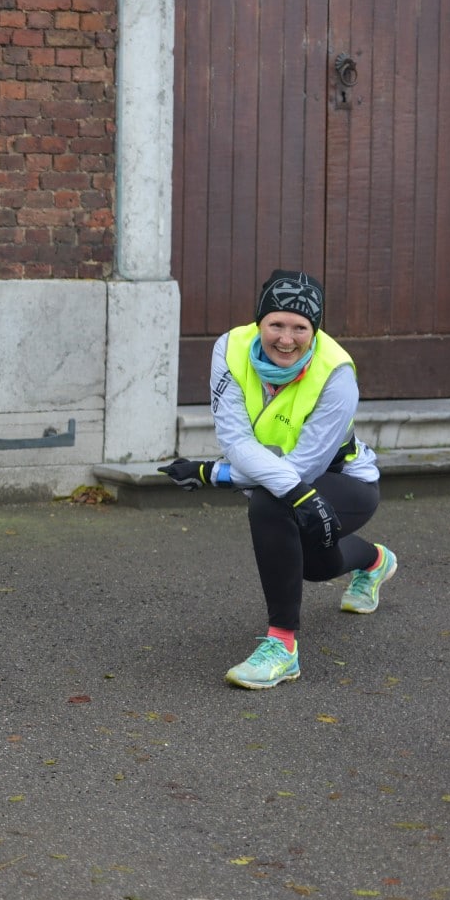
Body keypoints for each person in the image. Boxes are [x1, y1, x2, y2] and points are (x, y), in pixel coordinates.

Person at [158, 269, 396, 690]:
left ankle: (281, 648)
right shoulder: (229, 349)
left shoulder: (337, 374)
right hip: (296, 485)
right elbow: (236, 440)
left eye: (300, 327)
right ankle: (375, 561)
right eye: (276, 324)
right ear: (259, 322)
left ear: (314, 330)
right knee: (317, 567)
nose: (287, 339)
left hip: (346, 482)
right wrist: (230, 466)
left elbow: (303, 466)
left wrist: (212, 473)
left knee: (269, 503)